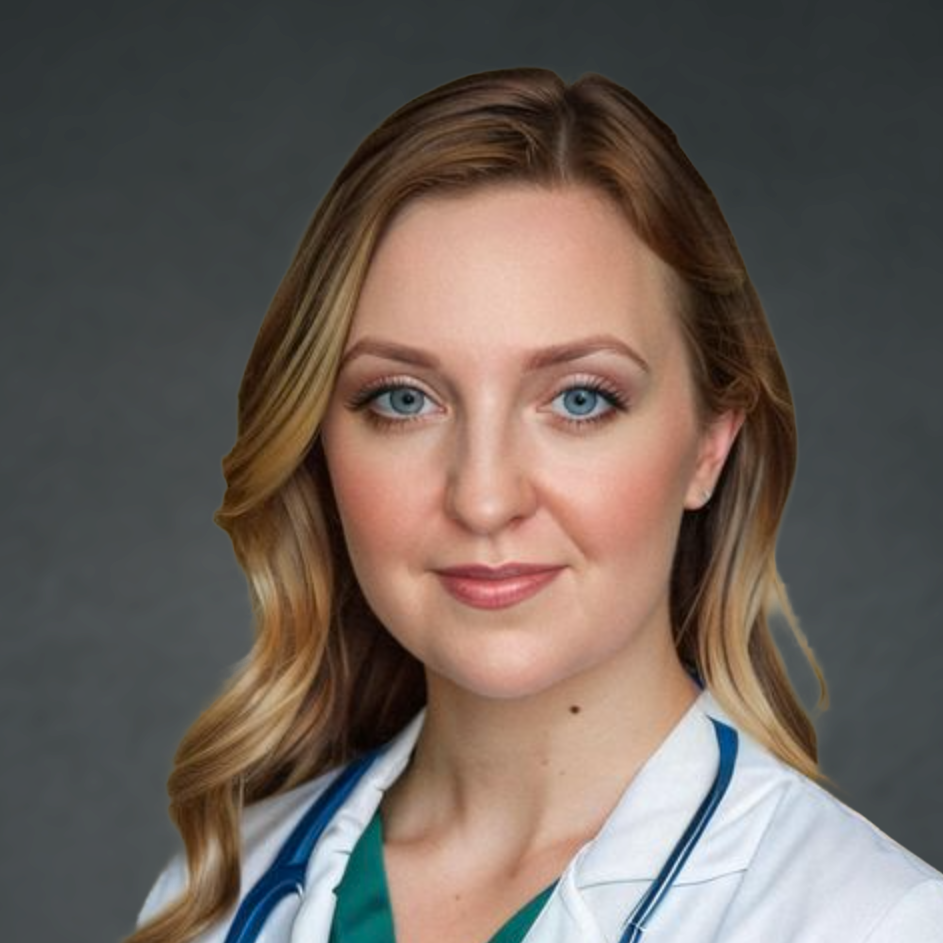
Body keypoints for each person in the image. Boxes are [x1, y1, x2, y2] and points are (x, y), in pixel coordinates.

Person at [128, 67, 943, 943]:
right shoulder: (215, 894)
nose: (483, 498)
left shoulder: (875, 921)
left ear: (710, 443)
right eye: (403, 399)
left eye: (579, 399)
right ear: (317, 441)